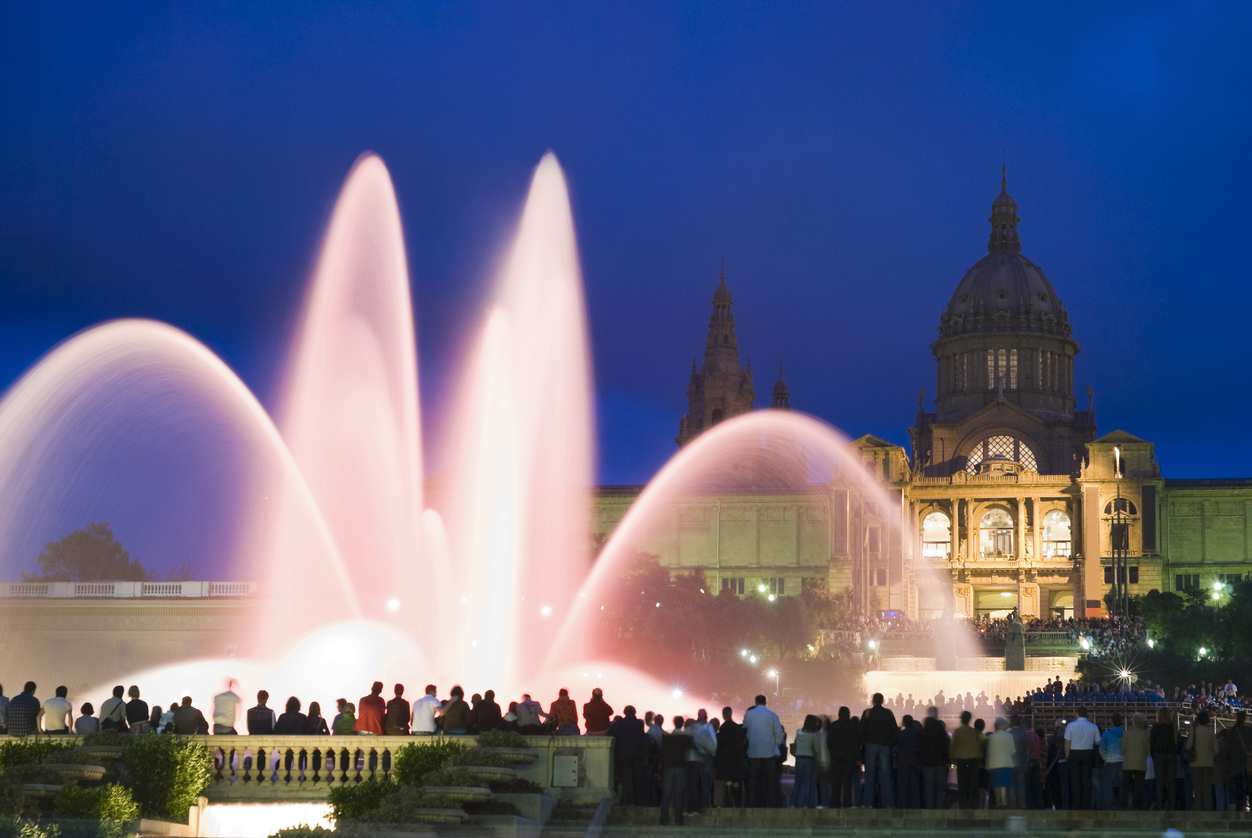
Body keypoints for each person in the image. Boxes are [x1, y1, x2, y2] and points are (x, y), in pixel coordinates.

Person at [743, 694, 784, 807]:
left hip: (753, 752)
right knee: (769, 780)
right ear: (765, 702)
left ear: (755, 702)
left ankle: (753, 803)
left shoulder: (749, 714)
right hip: (769, 753)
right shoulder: (772, 715)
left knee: (753, 780)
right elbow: (779, 734)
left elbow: (745, 730)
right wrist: (775, 745)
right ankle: (769, 803)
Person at [860, 692, 898, 808]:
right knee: (885, 775)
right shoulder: (888, 713)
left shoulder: (867, 713)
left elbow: (862, 729)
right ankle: (888, 803)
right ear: (882, 701)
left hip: (870, 745)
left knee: (870, 774)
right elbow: (894, 729)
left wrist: (863, 745)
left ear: (873, 701)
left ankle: (868, 803)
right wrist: (890, 744)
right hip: (885, 746)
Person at [609, 705, 648, 805]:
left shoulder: (619, 724)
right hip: (637, 756)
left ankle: (628, 801)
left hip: (623, 756)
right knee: (637, 779)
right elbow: (642, 739)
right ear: (634, 713)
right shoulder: (639, 723)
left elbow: (611, 734)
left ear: (625, 713)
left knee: (626, 780)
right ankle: (638, 801)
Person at [1064, 707, 1100, 810]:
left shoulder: (1070, 726)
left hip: (1074, 754)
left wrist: (1067, 756)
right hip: (1088, 753)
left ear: (1077, 714)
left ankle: (1076, 805)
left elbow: (1067, 743)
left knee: (1075, 782)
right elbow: (1098, 742)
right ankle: (1086, 806)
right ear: (1087, 714)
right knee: (1086, 781)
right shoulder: (1093, 726)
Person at [827, 706, 861, 808]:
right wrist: (857, 757)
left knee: (836, 782)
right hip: (849, 759)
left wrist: (832, 754)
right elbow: (856, 743)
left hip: (836, 758)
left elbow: (829, 742)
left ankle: (835, 803)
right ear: (848, 714)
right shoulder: (853, 726)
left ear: (839, 714)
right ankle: (847, 803)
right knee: (847, 783)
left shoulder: (834, 725)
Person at [659, 715, 691, 825]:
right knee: (679, 793)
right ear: (682, 724)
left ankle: (664, 818)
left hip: (668, 768)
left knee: (667, 793)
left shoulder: (666, 738)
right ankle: (678, 818)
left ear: (674, 723)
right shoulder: (686, 738)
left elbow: (662, 753)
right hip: (681, 767)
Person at [715, 706, 748, 808]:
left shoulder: (723, 728)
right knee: (737, 784)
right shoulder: (738, 728)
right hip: (737, 762)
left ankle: (728, 804)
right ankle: (738, 804)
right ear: (731, 713)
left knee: (727, 784)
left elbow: (719, 745)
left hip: (726, 762)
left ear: (724, 715)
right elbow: (743, 744)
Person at [918, 706, 950, 809]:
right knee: (940, 790)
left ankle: (929, 811)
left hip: (927, 764)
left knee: (928, 789)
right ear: (936, 714)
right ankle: (938, 811)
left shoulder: (923, 729)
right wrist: (947, 761)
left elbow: (920, 747)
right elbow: (946, 746)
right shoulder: (941, 728)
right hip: (940, 764)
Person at [1218, 710, 1250, 812]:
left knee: (1238, 789)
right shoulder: (1249, 730)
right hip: (1248, 764)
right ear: (1244, 718)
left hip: (1235, 765)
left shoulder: (1232, 731)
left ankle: (1239, 808)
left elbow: (1227, 749)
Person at [951, 710, 982, 810]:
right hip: (974, 761)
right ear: (969, 720)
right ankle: (973, 805)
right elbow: (979, 746)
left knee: (962, 784)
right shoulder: (975, 732)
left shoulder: (957, 731)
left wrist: (952, 761)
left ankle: (963, 805)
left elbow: (953, 748)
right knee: (972, 784)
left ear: (962, 719)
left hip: (961, 761)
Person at [790, 714, 821, 808]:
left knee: (798, 782)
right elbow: (816, 749)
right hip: (810, 759)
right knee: (808, 782)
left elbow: (795, 744)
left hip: (799, 759)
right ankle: (806, 803)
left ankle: (794, 803)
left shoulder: (798, 732)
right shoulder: (814, 735)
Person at [1149, 708, 1177, 810]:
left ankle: (1160, 805)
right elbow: (1176, 741)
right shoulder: (1172, 727)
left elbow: (1151, 742)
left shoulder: (1155, 727)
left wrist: (1153, 754)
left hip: (1158, 755)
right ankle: (1172, 805)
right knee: (1171, 782)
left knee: (1159, 782)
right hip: (1171, 755)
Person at [1189, 709, 1217, 810]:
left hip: (1195, 763)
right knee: (1207, 790)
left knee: (1197, 790)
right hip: (1208, 763)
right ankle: (1207, 812)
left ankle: (1198, 811)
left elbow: (1188, 746)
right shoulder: (1211, 731)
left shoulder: (1194, 731)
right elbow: (1216, 749)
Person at [1121, 713, 1149, 810]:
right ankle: (1138, 806)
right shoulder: (1145, 734)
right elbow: (1148, 750)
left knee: (1125, 786)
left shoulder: (1127, 733)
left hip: (1128, 763)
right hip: (1140, 762)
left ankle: (1124, 805)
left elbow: (1122, 749)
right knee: (1139, 786)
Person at [986, 718, 1016, 808]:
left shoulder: (991, 737)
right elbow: (1012, 751)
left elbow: (989, 752)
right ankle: (1004, 802)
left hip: (994, 765)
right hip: (1006, 763)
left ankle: (998, 802)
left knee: (996, 784)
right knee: (1004, 784)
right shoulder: (1009, 736)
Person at [1098, 712, 1125, 809]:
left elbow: (1101, 749)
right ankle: (1121, 805)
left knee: (1109, 786)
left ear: (1112, 722)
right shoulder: (1124, 733)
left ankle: (1110, 806)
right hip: (1122, 762)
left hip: (1110, 762)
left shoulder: (1107, 733)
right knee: (1121, 785)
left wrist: (1106, 758)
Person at [895, 714, 921, 808]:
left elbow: (897, 748)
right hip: (914, 761)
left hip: (903, 762)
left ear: (904, 722)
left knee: (903, 785)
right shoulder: (917, 734)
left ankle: (903, 805)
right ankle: (915, 805)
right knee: (914, 785)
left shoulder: (901, 734)